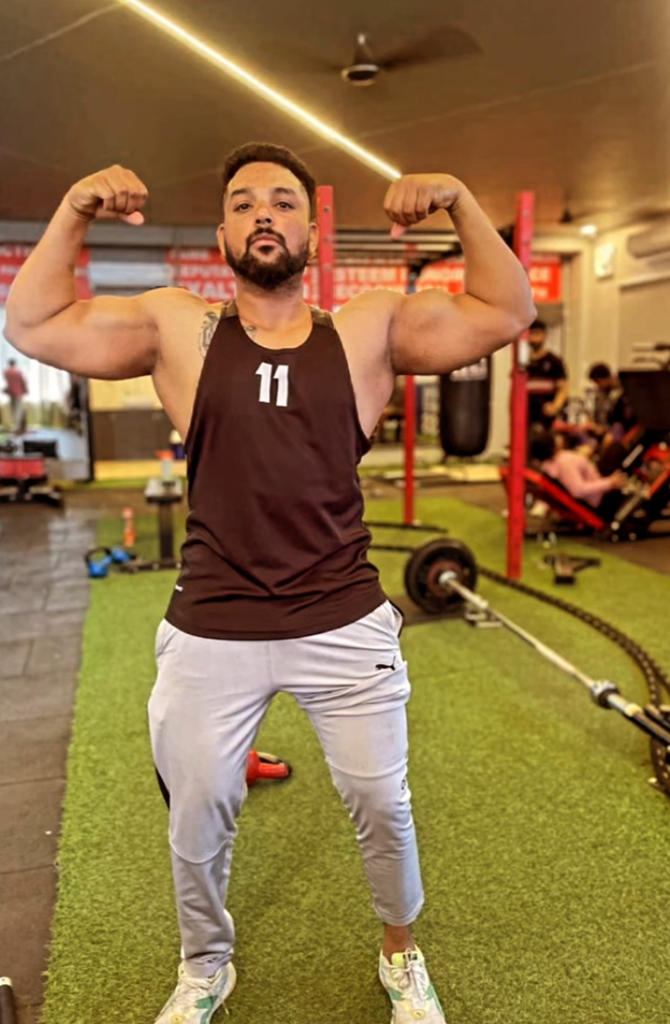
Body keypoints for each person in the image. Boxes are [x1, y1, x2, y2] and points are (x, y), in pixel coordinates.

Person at [4, 145, 535, 1024]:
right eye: (244, 203)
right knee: (199, 812)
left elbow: (505, 309)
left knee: (381, 802)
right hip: (213, 620)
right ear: (220, 233)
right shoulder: (181, 327)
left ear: (312, 233)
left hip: (343, 613)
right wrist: (74, 206)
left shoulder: (366, 329)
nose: (263, 214)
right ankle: (207, 965)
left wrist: (460, 200)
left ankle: (401, 953)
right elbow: (33, 326)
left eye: (283, 202)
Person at [529, 429, 627, 519]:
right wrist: (610, 483)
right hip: (602, 499)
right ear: (553, 446)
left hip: (598, 486)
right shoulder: (563, 462)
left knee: (615, 449)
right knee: (617, 449)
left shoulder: (553, 463)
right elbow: (578, 490)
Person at [526, 318, 569, 431]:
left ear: (544, 336)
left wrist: (555, 407)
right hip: (526, 415)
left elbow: (563, 389)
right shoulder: (524, 363)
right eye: (532, 334)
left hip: (546, 419)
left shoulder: (554, 362)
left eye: (537, 333)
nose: (534, 338)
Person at [3, 358, 28, 433]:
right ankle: (17, 427)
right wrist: (25, 389)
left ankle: (14, 425)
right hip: (19, 392)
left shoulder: (6, 372)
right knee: (18, 410)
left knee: (13, 409)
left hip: (11, 392)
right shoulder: (18, 372)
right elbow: (23, 381)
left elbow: (7, 382)